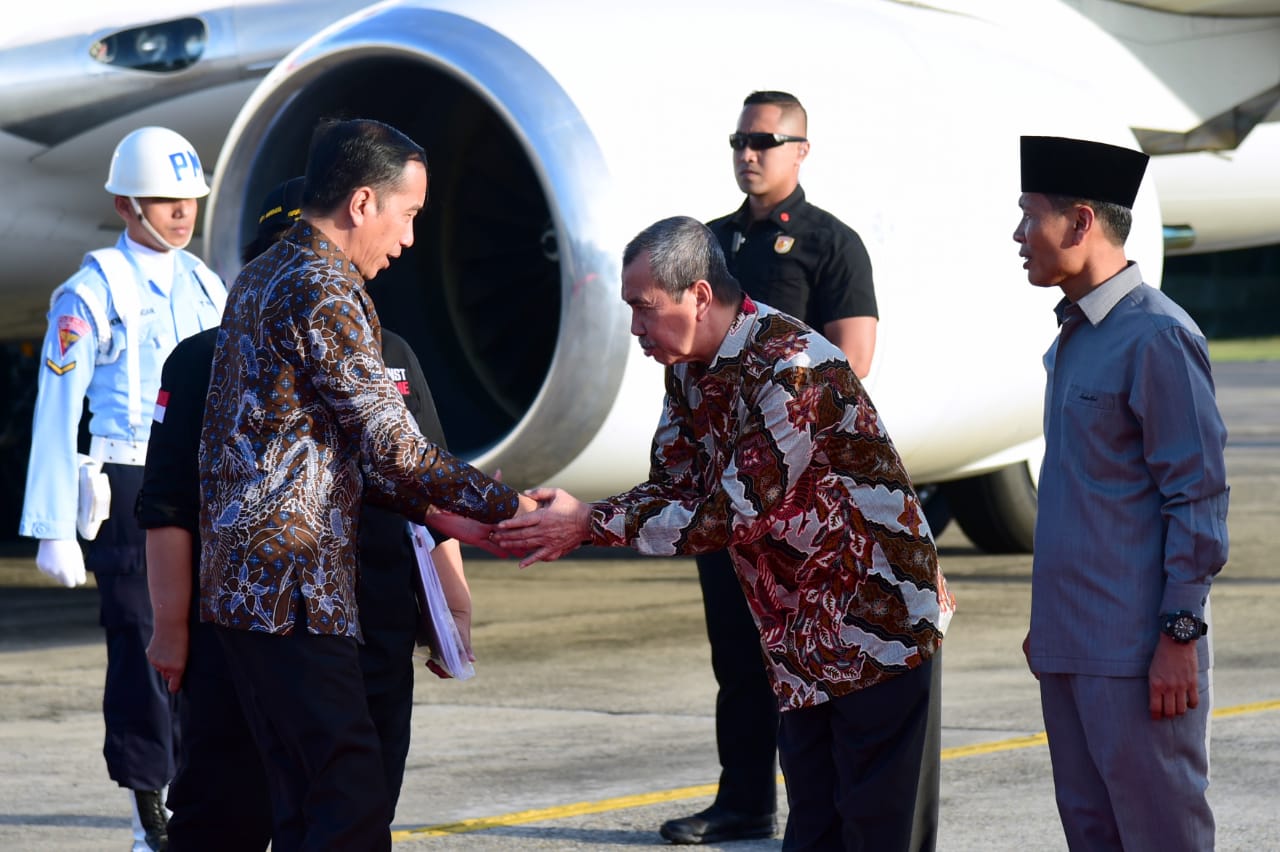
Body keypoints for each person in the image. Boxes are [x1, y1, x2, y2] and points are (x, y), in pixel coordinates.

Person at [493, 216, 953, 851]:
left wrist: (588, 523)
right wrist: (580, 516)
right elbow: (674, 485)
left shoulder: (790, 364)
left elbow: (734, 511)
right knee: (816, 828)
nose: (635, 328)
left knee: (881, 831)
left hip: (875, 622)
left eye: (643, 308)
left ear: (700, 295)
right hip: (800, 632)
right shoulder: (689, 369)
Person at [197, 118, 534, 852]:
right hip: (293, 592)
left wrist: (460, 519)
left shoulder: (261, 275)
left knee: (302, 801)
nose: (409, 239)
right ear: (360, 204)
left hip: (245, 591)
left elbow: (342, 455)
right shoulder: (324, 287)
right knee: (350, 797)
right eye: (407, 215)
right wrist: (514, 506)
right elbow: (393, 444)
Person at [138, 177, 473, 850]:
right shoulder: (203, 359)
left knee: (352, 811)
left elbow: (427, 498)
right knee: (223, 812)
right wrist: (172, 628)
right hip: (242, 631)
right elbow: (169, 506)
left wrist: (453, 609)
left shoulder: (391, 354)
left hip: (371, 623)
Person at [665, 89, 887, 846]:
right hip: (724, 489)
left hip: (796, 496)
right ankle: (744, 801)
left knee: (804, 651)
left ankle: (818, 811)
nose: (748, 153)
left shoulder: (830, 243)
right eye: (740, 139)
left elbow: (850, 363)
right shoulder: (709, 245)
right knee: (737, 651)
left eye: (765, 139)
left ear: (801, 150)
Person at [1015, 135, 1230, 851]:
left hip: (1138, 653)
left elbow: (1196, 499)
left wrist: (1179, 635)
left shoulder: (1156, 338)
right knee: (1092, 832)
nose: (1019, 236)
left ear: (1080, 223)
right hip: (1071, 642)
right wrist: (1050, 624)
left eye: (1029, 216)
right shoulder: (1074, 337)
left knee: (1161, 832)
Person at [18, 125, 227, 852]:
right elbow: (58, 408)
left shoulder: (208, 285)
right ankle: (150, 811)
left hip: (204, 478)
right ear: (124, 203)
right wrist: (53, 524)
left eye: (189, 199)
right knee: (142, 645)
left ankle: (199, 792)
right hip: (130, 477)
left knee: (210, 646)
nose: (181, 213)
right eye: (165, 199)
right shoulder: (91, 290)